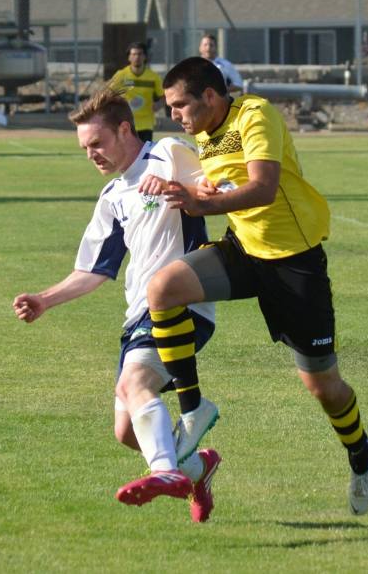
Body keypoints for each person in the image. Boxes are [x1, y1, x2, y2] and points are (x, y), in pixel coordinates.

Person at [139, 57, 368, 516]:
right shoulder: (202, 134)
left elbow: (264, 189)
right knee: (163, 289)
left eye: (181, 104)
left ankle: (361, 454)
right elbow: (222, 182)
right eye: (170, 108)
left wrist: (199, 204)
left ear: (211, 95)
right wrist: (197, 191)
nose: (176, 115)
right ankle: (193, 410)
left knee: (324, 387)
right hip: (244, 250)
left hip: (295, 263)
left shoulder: (255, 114)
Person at [12, 88, 221, 523]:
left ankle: (166, 472)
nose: (91, 154)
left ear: (125, 129)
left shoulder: (167, 152)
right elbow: (95, 269)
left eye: (97, 143)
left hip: (179, 303)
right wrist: (44, 300)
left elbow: (218, 184)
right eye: (85, 148)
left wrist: (176, 186)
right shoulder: (112, 196)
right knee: (127, 432)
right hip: (136, 316)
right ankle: (199, 467)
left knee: (134, 388)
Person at [108, 42, 164, 143]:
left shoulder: (153, 77)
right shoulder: (121, 75)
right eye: (134, 54)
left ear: (145, 57)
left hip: (146, 124)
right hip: (126, 122)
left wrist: (158, 105)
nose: (137, 57)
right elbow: (108, 93)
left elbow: (163, 97)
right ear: (129, 57)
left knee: (143, 155)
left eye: (140, 54)